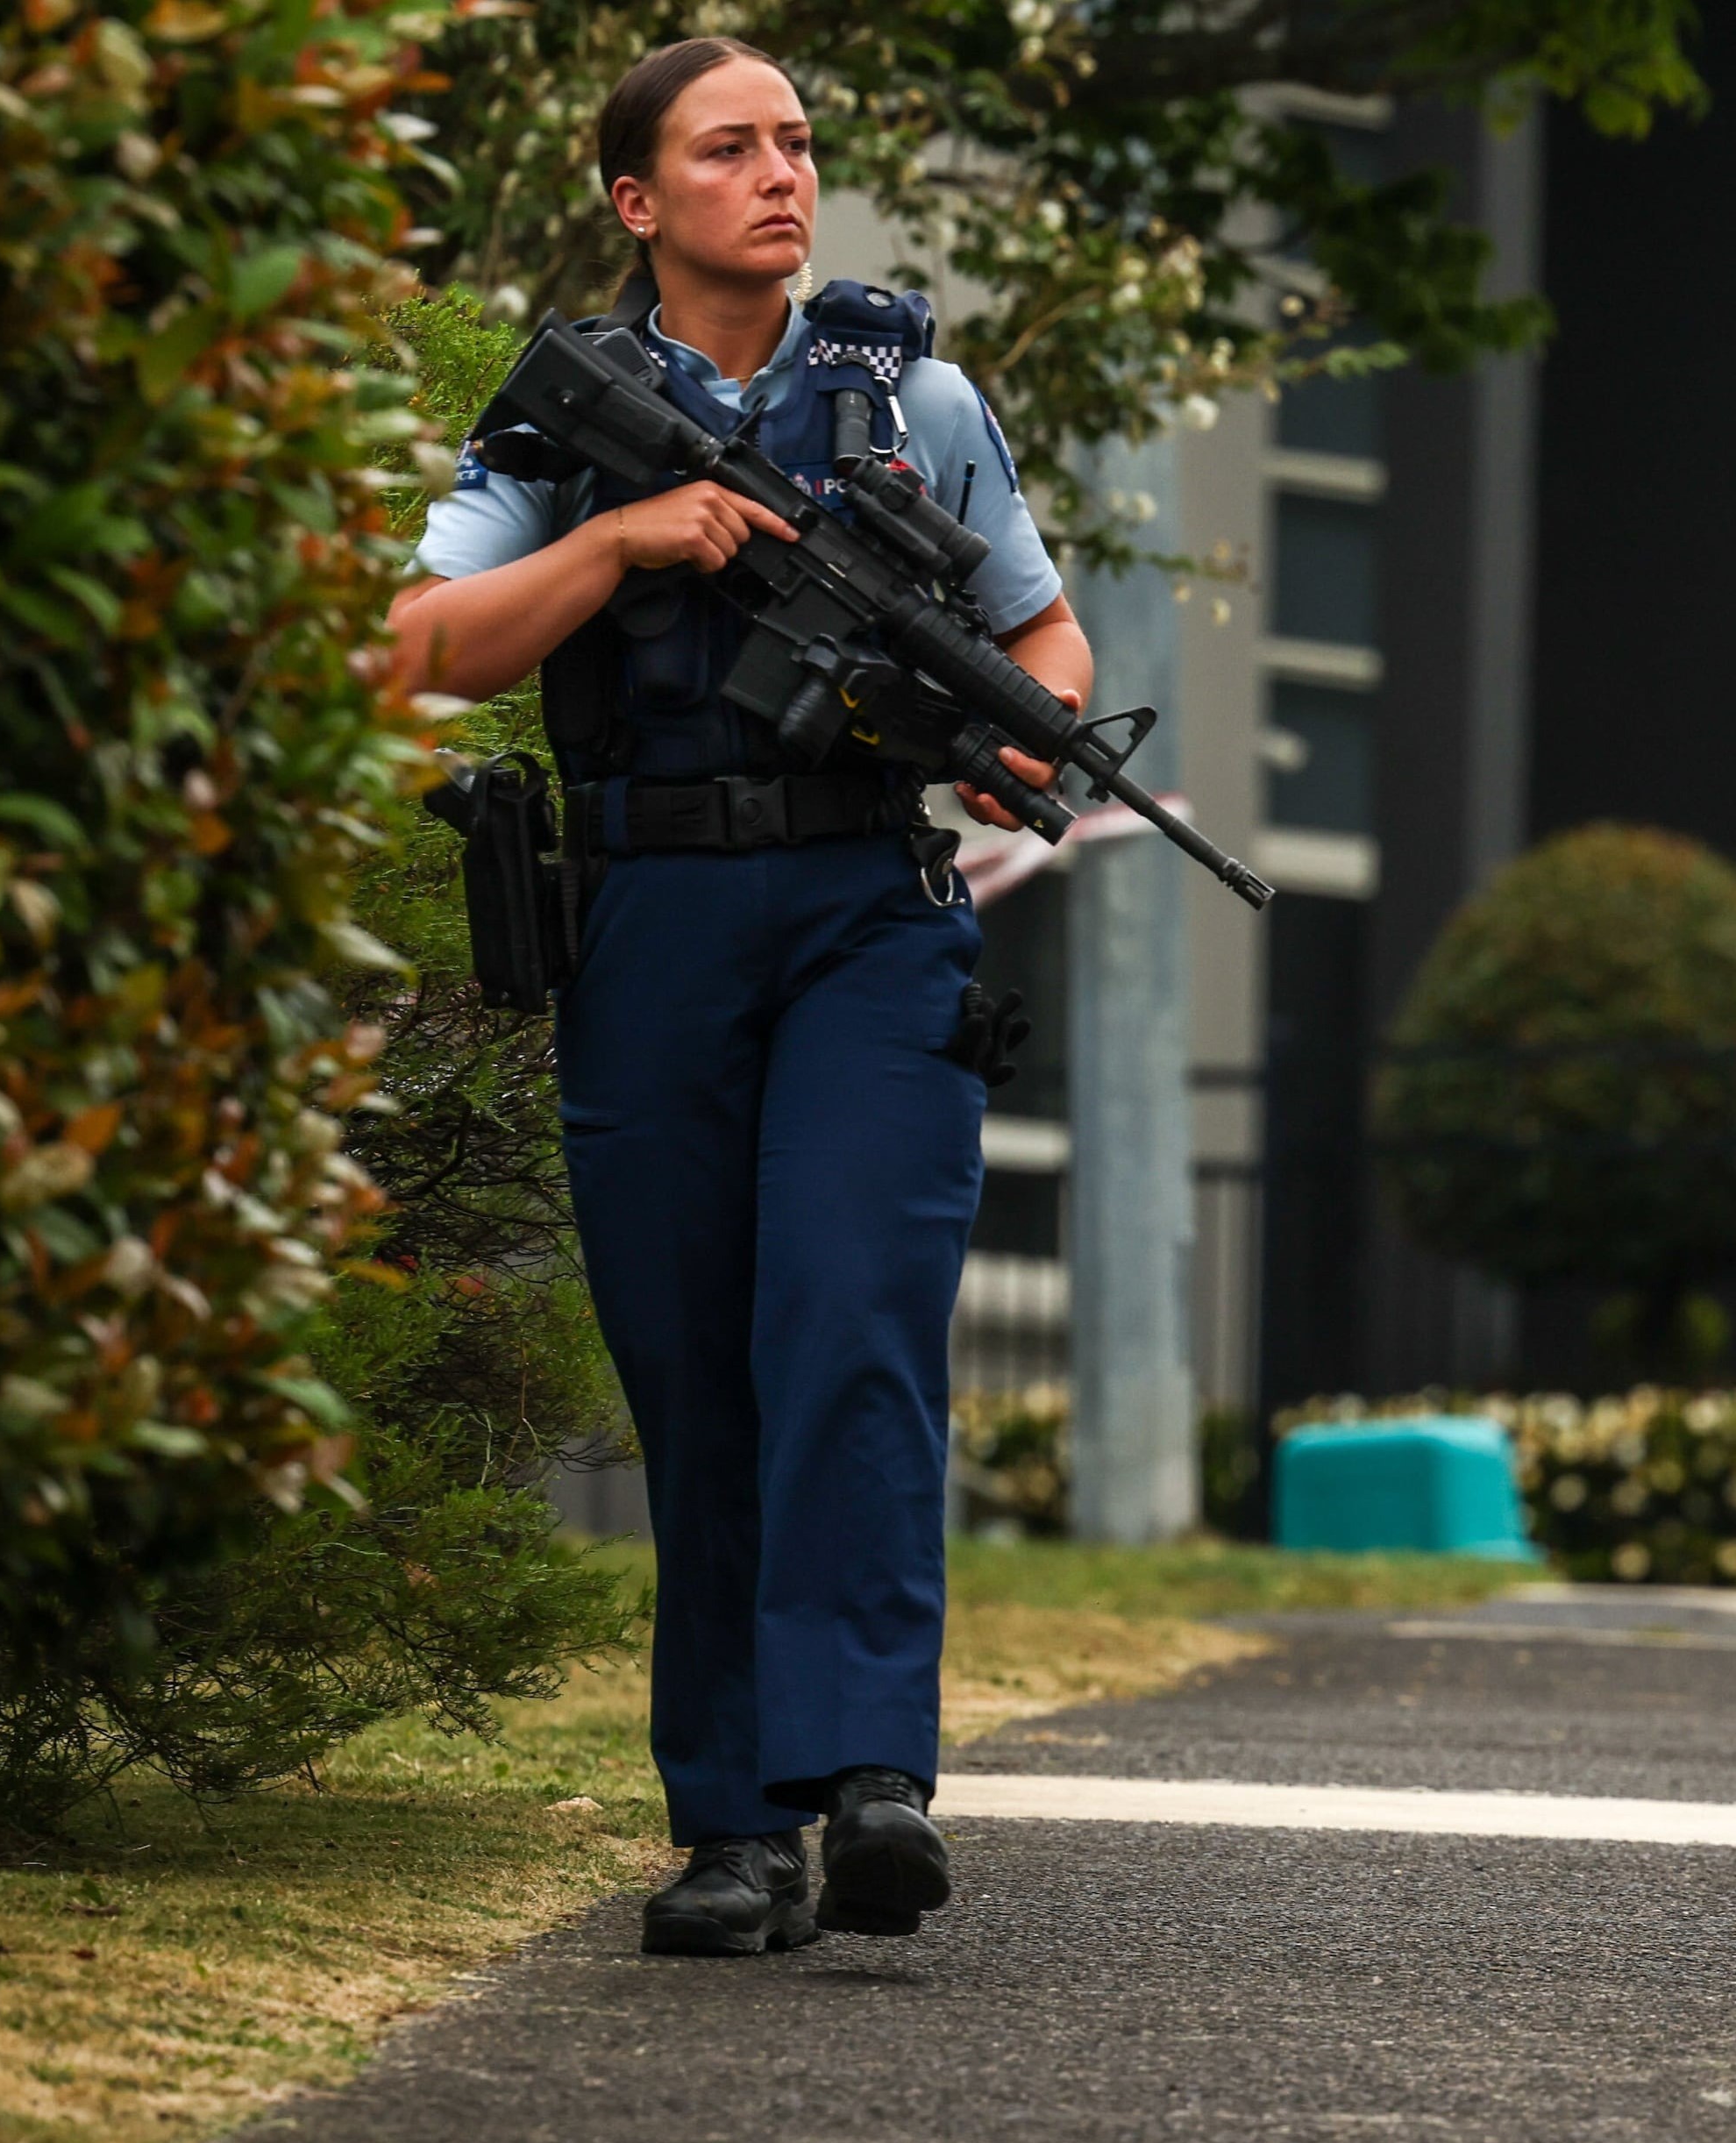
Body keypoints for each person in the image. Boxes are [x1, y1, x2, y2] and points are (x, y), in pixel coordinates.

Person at [388, 36, 1082, 1956]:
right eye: (728, 148)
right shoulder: (557, 427)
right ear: (637, 201)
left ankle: (866, 1780)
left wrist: (1024, 739)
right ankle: (730, 1829)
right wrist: (618, 544)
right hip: (654, 921)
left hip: (871, 909)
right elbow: (419, 650)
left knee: (849, 1319)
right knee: (697, 1367)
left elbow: (1037, 624)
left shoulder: (913, 399)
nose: (780, 174)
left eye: (794, 143)